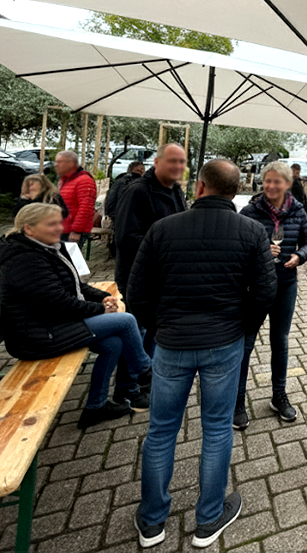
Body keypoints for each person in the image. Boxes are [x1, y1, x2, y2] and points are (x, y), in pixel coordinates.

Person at [127, 160, 276, 549]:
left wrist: (160, 327)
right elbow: (264, 292)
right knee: (216, 428)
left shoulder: (163, 229)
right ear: (235, 191)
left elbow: (137, 291)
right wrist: (243, 328)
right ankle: (208, 520)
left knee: (161, 430)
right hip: (223, 343)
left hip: (173, 343)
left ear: (199, 187)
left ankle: (152, 520)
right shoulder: (252, 231)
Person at [0, 203, 152, 429]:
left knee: (113, 344)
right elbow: (57, 303)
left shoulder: (50, 247)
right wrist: (100, 310)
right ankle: (145, 369)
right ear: (29, 229)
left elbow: (76, 286)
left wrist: (103, 297)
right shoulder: (24, 258)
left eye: (60, 223)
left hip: (54, 325)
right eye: (52, 224)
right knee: (125, 320)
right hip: (37, 336)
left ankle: (96, 407)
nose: (59, 228)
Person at [235, 161, 307, 429]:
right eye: (267, 180)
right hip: (254, 287)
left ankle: (278, 395)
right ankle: (237, 399)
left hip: (286, 284)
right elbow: (236, 249)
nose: (270, 186)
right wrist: (261, 254)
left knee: (280, 341)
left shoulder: (298, 211)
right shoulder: (249, 211)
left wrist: (299, 257)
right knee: (245, 343)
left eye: (276, 181)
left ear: (287, 184)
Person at [112, 143, 188, 411]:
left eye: (182, 162)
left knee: (153, 331)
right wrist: (168, 246)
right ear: (157, 162)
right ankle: (125, 391)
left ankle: (146, 383)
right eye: (172, 161)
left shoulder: (176, 191)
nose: (178, 167)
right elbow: (126, 238)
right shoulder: (137, 192)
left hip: (164, 276)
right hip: (137, 276)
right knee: (137, 330)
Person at [55, 150, 97, 248]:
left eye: (60, 162)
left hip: (72, 232)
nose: (56, 165)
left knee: (69, 261)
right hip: (62, 228)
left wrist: (77, 231)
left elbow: (86, 208)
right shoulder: (65, 180)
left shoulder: (84, 180)